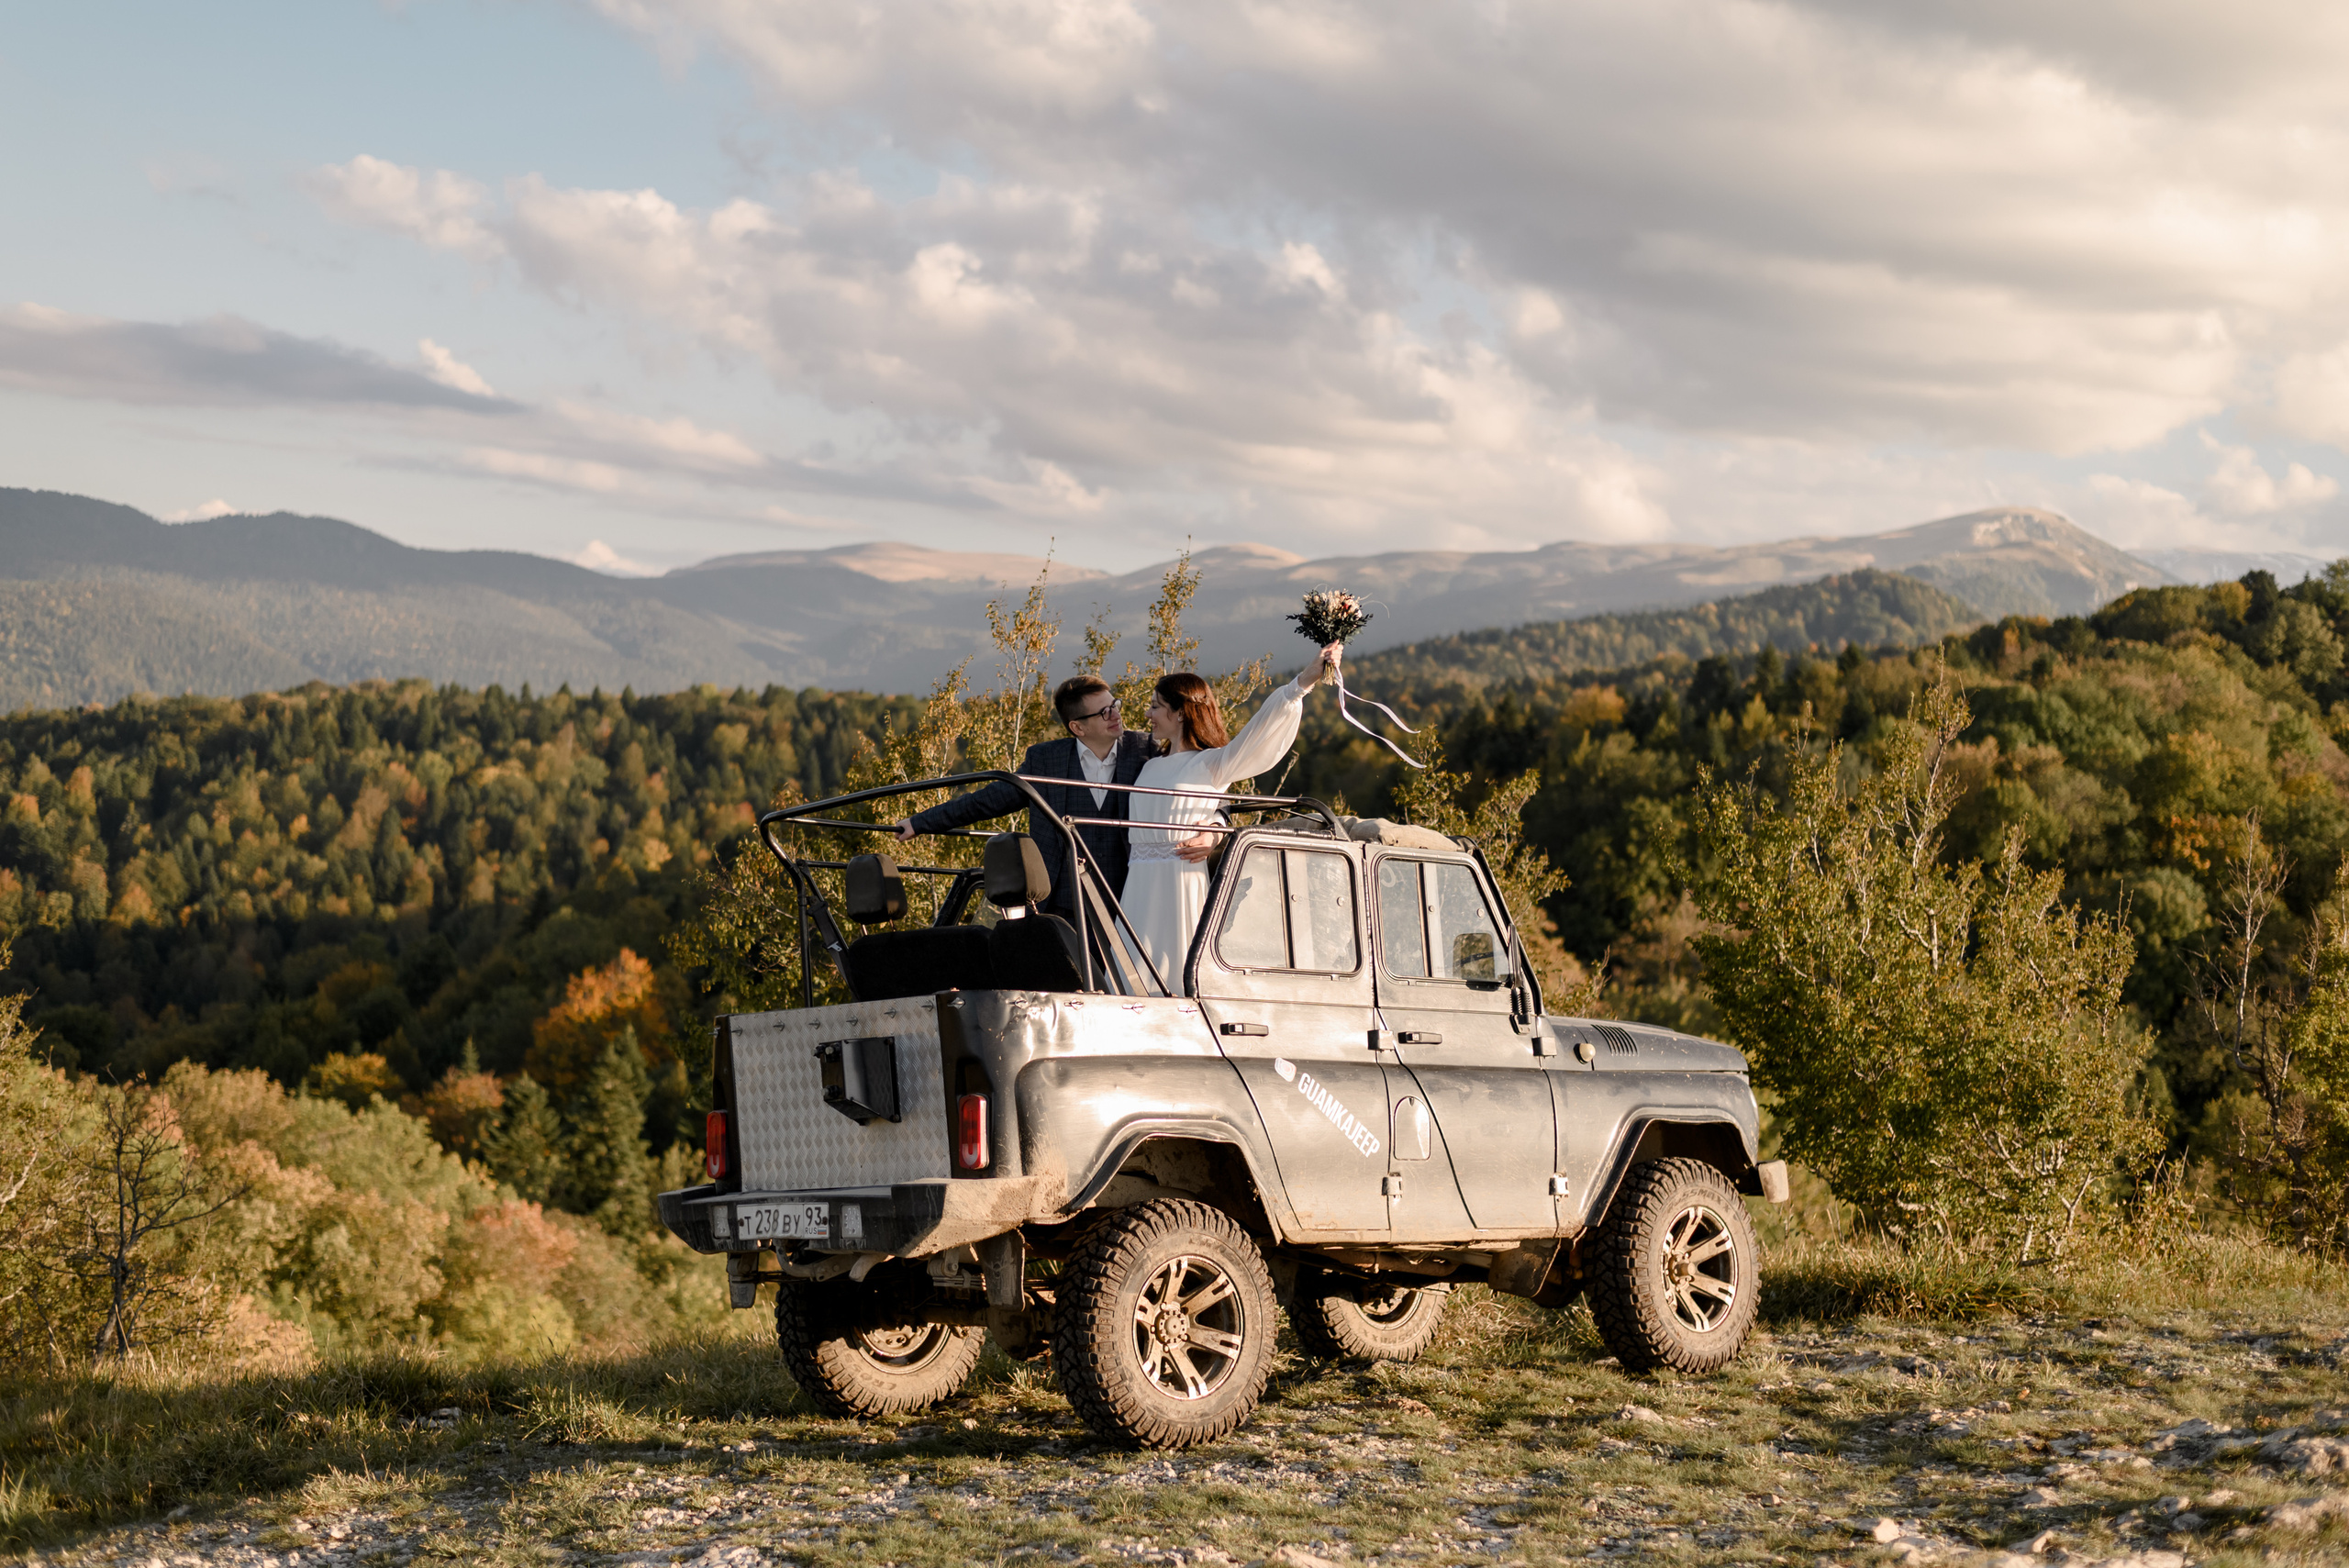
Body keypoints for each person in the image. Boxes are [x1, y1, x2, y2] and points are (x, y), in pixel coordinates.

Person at [1122, 642, 1343, 990]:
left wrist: (1302, 684)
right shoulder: (1150, 765)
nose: (1148, 714)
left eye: (1156, 706)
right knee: (1128, 971)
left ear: (1180, 713)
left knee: (1174, 974)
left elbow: (1257, 733)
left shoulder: (1211, 763)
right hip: (1137, 886)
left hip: (1178, 881)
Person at [895, 675, 1157, 922]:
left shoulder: (1147, 750)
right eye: (1104, 712)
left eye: (1114, 705)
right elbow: (988, 800)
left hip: (1131, 905)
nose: (1116, 715)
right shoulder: (1045, 760)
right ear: (1077, 727)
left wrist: (1201, 835)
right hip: (1063, 908)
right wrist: (921, 823)